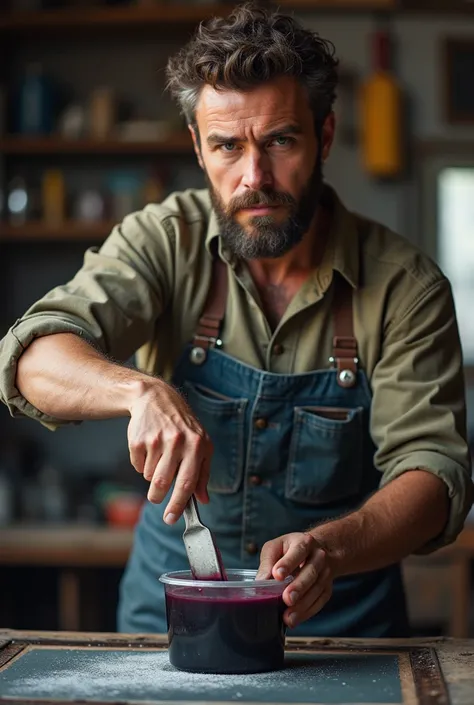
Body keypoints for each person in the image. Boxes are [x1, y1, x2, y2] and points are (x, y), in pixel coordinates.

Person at [0, 2, 472, 638]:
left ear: (324, 136)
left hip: (341, 630)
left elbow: (435, 473)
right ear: (198, 147)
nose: (255, 178)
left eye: (280, 140)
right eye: (227, 145)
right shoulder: (163, 241)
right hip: (171, 621)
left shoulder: (404, 288)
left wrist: (329, 550)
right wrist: (138, 391)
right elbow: (31, 357)